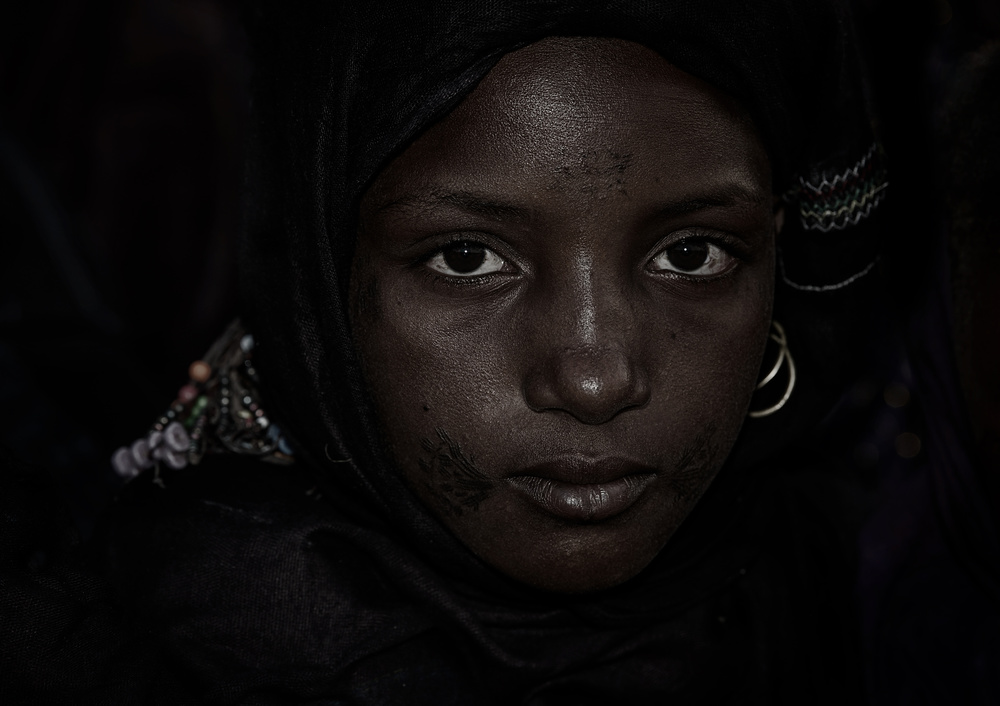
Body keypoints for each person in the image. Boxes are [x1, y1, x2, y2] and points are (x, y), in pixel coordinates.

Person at [4, 0, 903, 703]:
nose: (594, 378)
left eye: (692, 254)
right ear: (322, 275)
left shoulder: (845, 587)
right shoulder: (157, 653)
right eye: (468, 258)